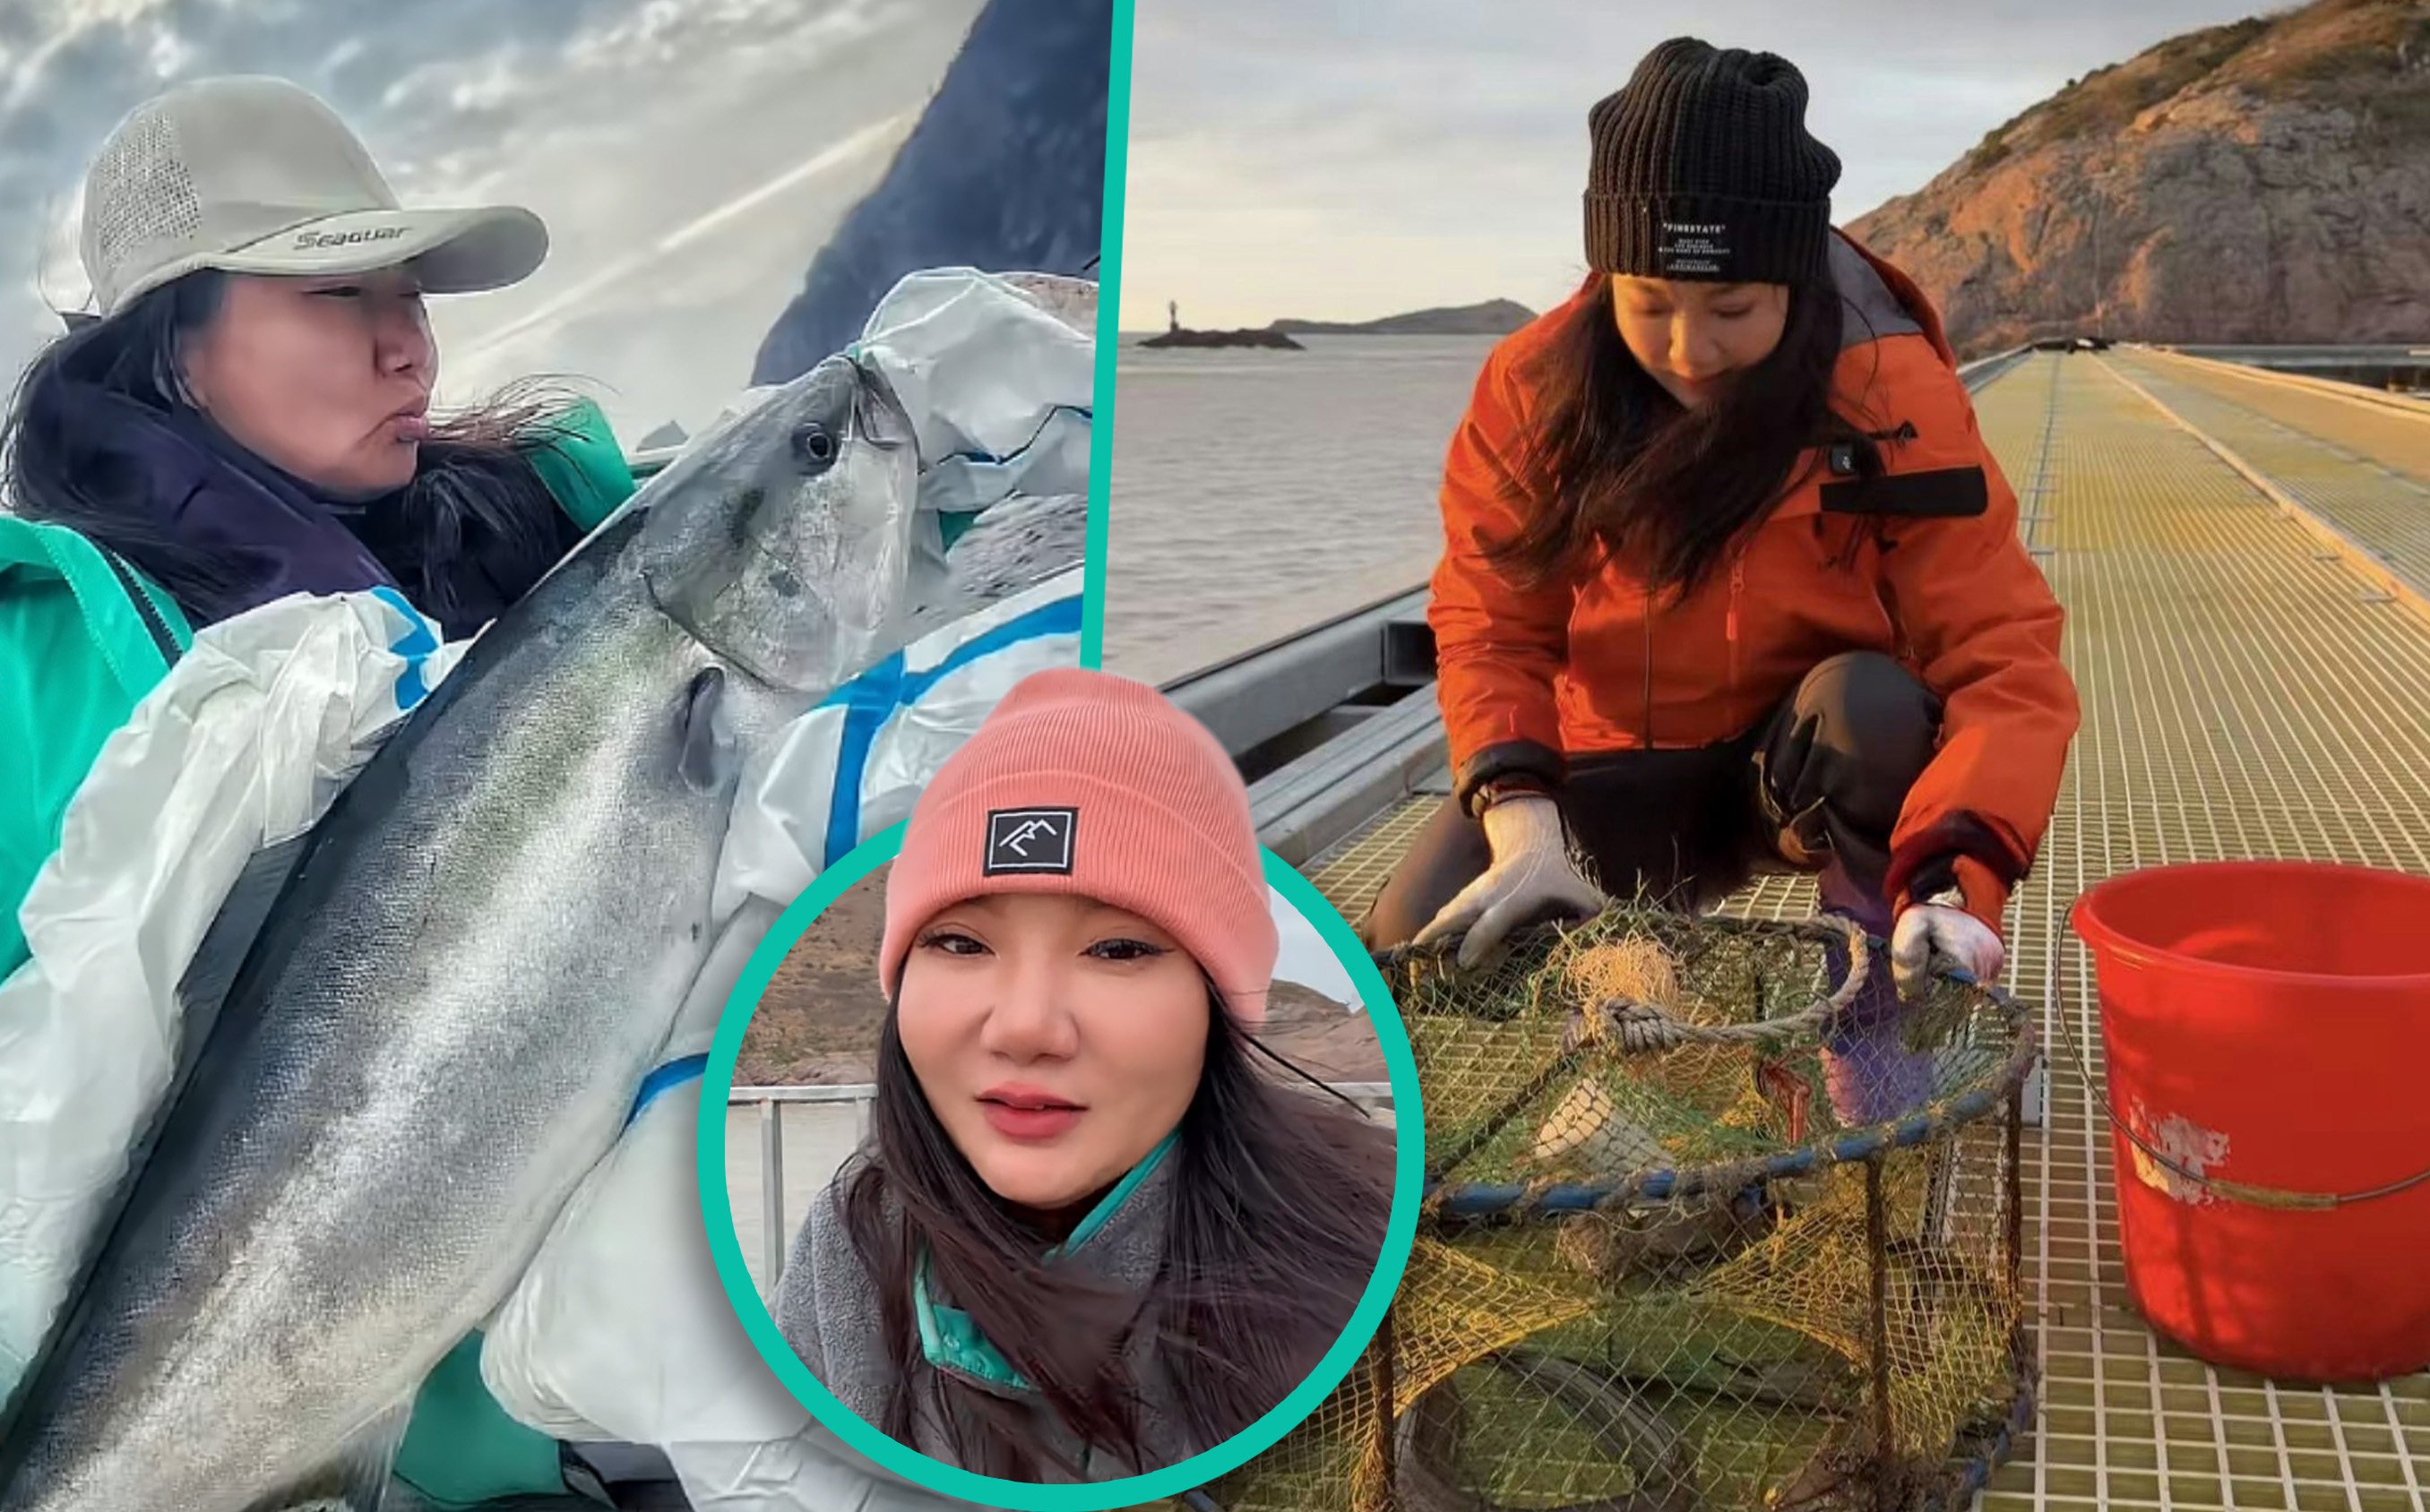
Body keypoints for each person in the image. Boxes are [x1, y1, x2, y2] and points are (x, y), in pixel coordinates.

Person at [0, 76, 642, 1511]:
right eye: (337, 290)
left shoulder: (538, 568)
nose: (408, 341)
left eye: (407, 289)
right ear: (172, 358)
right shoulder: (41, 689)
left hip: (596, 1429)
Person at [1357, 39, 2079, 1122]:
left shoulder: (1891, 392)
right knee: (1420, 930)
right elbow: (1492, 623)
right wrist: (1522, 819)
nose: (1688, 349)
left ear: (1792, 274)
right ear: (1608, 273)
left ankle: (1874, 1031)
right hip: (1615, 771)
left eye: (1734, 308)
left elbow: (2003, 655)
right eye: (1649, 303)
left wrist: (1953, 880)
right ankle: (1620, 1002)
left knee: (1874, 705)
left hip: (1797, 775)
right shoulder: (1532, 386)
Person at [771, 668, 1395, 1484]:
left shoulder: (1365, 1242)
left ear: (1216, 1007)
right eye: (961, 943)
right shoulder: (853, 1241)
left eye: (1119, 949)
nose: (1026, 1026)